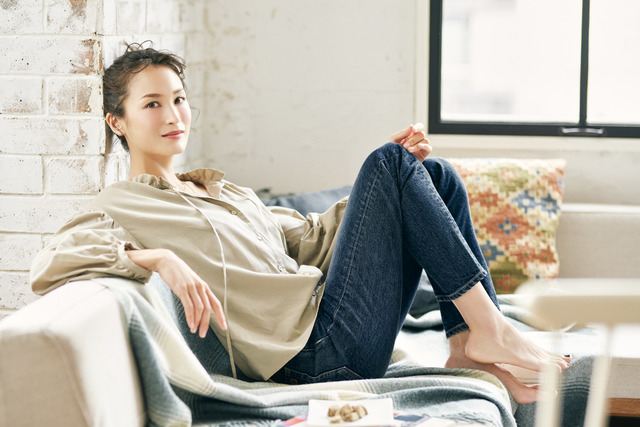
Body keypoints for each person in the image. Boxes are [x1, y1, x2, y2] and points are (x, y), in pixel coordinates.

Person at [30, 44, 570, 405]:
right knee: (391, 164)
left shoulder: (225, 191)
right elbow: (49, 262)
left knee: (435, 174)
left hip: (336, 323)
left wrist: (399, 185)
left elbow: (314, 240)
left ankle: (466, 343)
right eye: (152, 104)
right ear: (117, 121)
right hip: (312, 358)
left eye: (179, 99)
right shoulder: (123, 204)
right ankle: (494, 329)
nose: (173, 115)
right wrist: (155, 257)